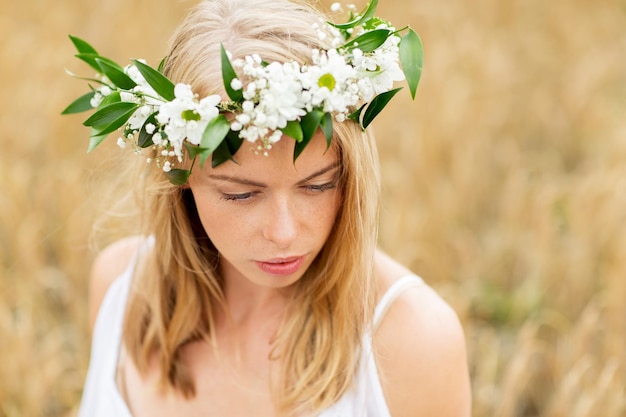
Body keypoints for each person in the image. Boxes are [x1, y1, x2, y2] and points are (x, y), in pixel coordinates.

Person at [71, 0, 471, 415]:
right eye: (241, 194)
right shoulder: (123, 289)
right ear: (179, 173)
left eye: (318, 185)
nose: (283, 233)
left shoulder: (412, 340)